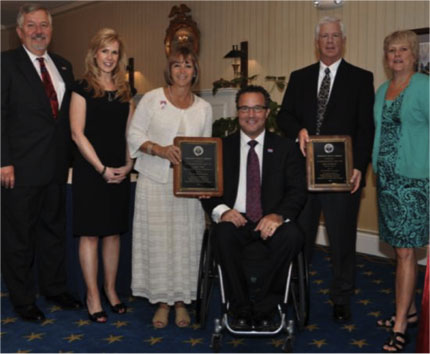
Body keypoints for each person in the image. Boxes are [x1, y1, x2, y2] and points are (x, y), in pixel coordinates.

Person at [276, 16, 375, 323]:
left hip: (342, 175)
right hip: (303, 176)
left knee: (342, 240)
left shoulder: (360, 78)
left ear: (342, 41)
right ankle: (297, 291)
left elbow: (365, 129)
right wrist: (299, 131)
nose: (330, 41)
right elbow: (284, 116)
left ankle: (341, 297)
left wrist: (359, 166)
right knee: (299, 237)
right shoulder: (300, 76)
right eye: (324, 37)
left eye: (335, 36)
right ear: (316, 42)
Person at [1, 3, 82, 322]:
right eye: (31, 25)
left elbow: (66, 120)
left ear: (52, 29)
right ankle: (22, 300)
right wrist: (3, 161)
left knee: (53, 232)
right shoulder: (5, 64)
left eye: (44, 25)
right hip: (18, 169)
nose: (38, 31)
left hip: (56, 167)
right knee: (18, 237)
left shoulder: (63, 66)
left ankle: (55, 289)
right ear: (20, 31)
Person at [201, 85, 307, 330]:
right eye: (245, 108)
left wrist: (278, 215)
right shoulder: (220, 147)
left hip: (271, 220)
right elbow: (207, 190)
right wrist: (222, 211)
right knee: (222, 234)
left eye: (257, 108)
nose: (251, 114)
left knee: (293, 236)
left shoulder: (286, 148)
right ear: (237, 112)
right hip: (235, 219)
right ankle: (238, 307)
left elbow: (297, 190)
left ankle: (265, 307)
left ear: (267, 112)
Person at [127, 46, 212, 328]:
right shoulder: (151, 99)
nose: (182, 70)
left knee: (186, 242)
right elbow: (134, 134)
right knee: (160, 243)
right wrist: (159, 149)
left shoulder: (204, 108)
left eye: (188, 65)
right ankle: (162, 302)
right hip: (154, 183)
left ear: (195, 70)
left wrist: (204, 183)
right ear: (169, 69)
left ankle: (181, 302)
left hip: (187, 189)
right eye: (176, 65)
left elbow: (206, 149)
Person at [69, 28, 134, 323]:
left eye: (115, 52)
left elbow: (130, 134)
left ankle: (111, 290)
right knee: (91, 234)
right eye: (105, 51)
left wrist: (129, 165)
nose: (110, 57)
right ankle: (92, 294)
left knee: (112, 233)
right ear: (94, 53)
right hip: (92, 171)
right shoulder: (81, 87)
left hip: (119, 171)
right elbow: (77, 134)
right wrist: (101, 169)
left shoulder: (124, 90)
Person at [371, 30, 429, 352]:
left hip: (414, 182)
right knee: (398, 250)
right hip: (388, 182)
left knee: (406, 252)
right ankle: (407, 309)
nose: (396, 55)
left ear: (414, 54)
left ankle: (401, 325)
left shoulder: (424, 86)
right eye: (391, 50)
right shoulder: (382, 90)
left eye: (403, 49)